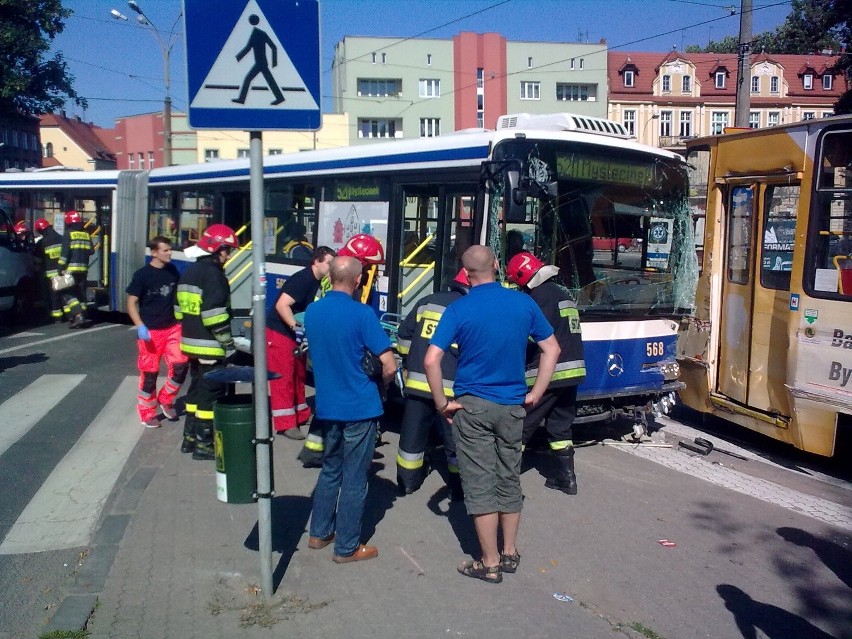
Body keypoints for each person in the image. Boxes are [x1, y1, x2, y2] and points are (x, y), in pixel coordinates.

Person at [424, 245, 559, 584]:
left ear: (465, 272)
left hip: (472, 406)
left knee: (480, 482)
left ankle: (489, 562)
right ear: (497, 266)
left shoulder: (459, 309)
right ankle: (510, 552)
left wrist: (442, 403)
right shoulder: (523, 302)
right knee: (509, 476)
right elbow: (551, 349)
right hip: (513, 406)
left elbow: (430, 360)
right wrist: (536, 393)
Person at [304, 255, 396, 563]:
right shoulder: (362, 314)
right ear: (358, 281)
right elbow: (388, 363)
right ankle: (346, 547)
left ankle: (318, 533)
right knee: (355, 478)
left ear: (330, 277)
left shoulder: (313, 312)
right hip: (359, 406)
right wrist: (382, 387)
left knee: (330, 469)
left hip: (328, 405)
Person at [298, 233, 385, 467]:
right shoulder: (342, 279)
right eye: (368, 266)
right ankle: (334, 450)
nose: (369, 273)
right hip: (336, 346)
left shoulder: (336, 272)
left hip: (325, 345)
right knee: (342, 398)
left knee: (329, 399)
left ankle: (313, 449)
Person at [506, 252, 586, 495]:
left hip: (549, 372)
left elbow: (529, 337)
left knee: (521, 425)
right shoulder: (563, 295)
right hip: (573, 371)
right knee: (560, 426)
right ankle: (567, 480)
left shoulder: (537, 299)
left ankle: (505, 478)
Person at [394, 269, 469, 499]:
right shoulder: (468, 308)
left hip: (417, 382)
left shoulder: (427, 302)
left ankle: (407, 482)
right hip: (450, 388)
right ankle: (457, 486)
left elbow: (403, 338)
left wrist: (411, 360)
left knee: (412, 434)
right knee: (455, 439)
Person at [175, 224, 239, 460]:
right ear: (216, 249)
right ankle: (204, 445)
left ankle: (189, 439)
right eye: (227, 250)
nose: (228, 255)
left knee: (195, 390)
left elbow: (178, 311)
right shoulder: (214, 275)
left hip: (189, 342)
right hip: (209, 345)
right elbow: (215, 315)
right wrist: (229, 346)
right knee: (210, 395)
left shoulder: (189, 272)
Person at [267, 246, 335, 439]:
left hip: (292, 334)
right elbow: (282, 305)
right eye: (329, 263)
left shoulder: (317, 280)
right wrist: (296, 327)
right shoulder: (302, 279)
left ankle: (300, 413)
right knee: (283, 378)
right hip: (280, 332)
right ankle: (286, 424)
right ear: (316, 261)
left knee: (298, 375)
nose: (331, 267)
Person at [126, 236, 189, 428]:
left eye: (170, 250)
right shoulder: (142, 275)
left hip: (172, 328)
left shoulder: (172, 271)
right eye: (165, 250)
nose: (170, 253)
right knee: (150, 373)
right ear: (154, 253)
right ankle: (147, 412)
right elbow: (131, 302)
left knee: (180, 366)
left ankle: (166, 399)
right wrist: (140, 325)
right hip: (151, 331)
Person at [58, 210, 93, 328]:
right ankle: (83, 315)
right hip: (83, 270)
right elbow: (91, 251)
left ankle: (78, 315)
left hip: (71, 270)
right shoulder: (86, 234)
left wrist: (60, 268)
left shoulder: (68, 234)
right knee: (81, 293)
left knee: (67, 293)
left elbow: (64, 255)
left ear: (68, 222)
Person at [34, 218, 65, 323]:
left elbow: (37, 261)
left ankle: (56, 317)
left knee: (52, 296)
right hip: (62, 272)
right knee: (64, 294)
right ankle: (67, 315)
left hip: (49, 275)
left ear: (40, 230)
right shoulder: (62, 238)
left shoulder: (42, 243)